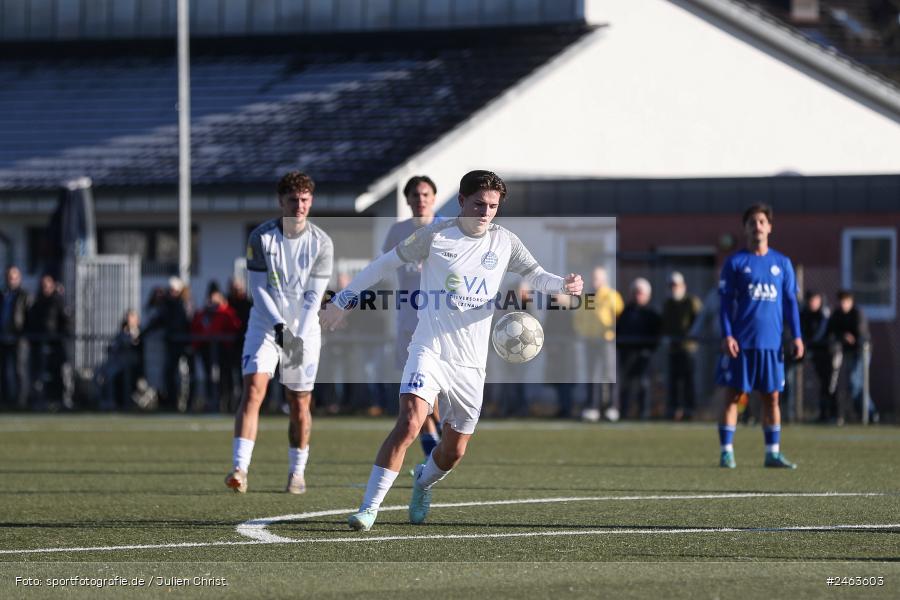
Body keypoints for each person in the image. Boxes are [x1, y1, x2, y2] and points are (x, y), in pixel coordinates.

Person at [322, 170, 583, 532]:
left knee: (453, 451)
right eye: (479, 204)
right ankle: (369, 508)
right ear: (461, 201)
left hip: (471, 364)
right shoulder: (435, 235)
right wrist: (343, 300)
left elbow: (537, 275)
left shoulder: (505, 241)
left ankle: (422, 482)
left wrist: (564, 284)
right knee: (410, 421)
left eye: (493, 206)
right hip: (429, 347)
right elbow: (385, 264)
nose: (486, 213)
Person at [225, 171, 333, 495]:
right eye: (292, 200)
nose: (299, 206)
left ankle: (297, 473)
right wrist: (280, 329)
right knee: (253, 390)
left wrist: (295, 334)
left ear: (311, 201)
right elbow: (258, 291)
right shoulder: (261, 237)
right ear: (280, 202)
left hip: (304, 329)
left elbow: (315, 296)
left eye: (304, 200)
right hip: (266, 325)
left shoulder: (321, 243)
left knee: (299, 402)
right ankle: (240, 469)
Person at [716, 204, 803, 469]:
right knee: (733, 395)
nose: (757, 226)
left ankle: (772, 453)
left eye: (762, 221)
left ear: (769, 227)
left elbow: (790, 303)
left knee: (772, 397)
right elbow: (724, 304)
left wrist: (797, 336)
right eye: (752, 222)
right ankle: (726, 452)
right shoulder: (735, 262)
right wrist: (727, 335)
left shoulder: (782, 263)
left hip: (771, 344)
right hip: (742, 344)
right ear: (745, 229)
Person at [381, 176, 444, 461]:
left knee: (437, 393)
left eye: (426, 194)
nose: (421, 199)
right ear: (407, 200)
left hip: (440, 323)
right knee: (416, 392)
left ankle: (441, 437)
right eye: (415, 195)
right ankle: (432, 451)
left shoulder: (447, 229)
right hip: (408, 322)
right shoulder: (397, 232)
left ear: (434, 197)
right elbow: (384, 267)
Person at [573, 266, 623, 422]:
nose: (595, 281)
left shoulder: (611, 296)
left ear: (604, 279)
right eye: (593, 278)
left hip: (607, 341)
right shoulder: (587, 297)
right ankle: (592, 407)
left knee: (609, 374)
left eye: (598, 278)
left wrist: (610, 331)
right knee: (592, 375)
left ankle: (612, 408)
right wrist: (583, 332)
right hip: (590, 341)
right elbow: (578, 319)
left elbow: (619, 316)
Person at [827, 290, 875, 423]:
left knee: (855, 382)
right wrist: (843, 336)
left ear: (851, 302)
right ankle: (869, 414)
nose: (843, 305)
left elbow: (861, 335)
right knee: (855, 385)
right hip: (848, 353)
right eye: (841, 302)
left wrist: (854, 338)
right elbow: (831, 331)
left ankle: (869, 413)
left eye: (846, 302)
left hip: (862, 352)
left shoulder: (857, 313)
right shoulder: (837, 314)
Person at [191, 283, 242, 412]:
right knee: (210, 377)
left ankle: (228, 403)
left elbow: (234, 326)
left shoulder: (227, 312)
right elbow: (197, 328)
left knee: (226, 377)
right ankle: (212, 402)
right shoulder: (203, 314)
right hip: (207, 350)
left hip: (224, 350)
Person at [617, 278, 662, 419]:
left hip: (644, 354)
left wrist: (649, 348)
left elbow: (657, 333)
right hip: (627, 353)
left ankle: (644, 413)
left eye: (640, 293)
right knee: (626, 385)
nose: (638, 295)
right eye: (635, 292)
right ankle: (624, 412)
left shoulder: (652, 313)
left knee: (644, 384)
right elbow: (619, 330)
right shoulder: (626, 311)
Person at [25, 274, 71, 409]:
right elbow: (31, 321)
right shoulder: (36, 302)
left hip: (55, 345)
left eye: (47, 285)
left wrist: (61, 335)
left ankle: (62, 400)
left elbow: (66, 321)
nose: (45, 288)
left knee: (59, 374)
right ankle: (40, 401)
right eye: (43, 285)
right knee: (39, 375)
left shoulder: (58, 301)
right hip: (39, 344)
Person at [661, 271, 701, 420]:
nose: (673, 288)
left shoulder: (691, 302)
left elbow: (699, 321)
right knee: (673, 381)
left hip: (687, 349)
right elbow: (664, 324)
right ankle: (673, 409)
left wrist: (691, 336)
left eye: (676, 285)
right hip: (673, 348)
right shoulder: (668, 303)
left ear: (683, 286)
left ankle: (689, 409)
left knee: (688, 380)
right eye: (671, 285)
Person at [799, 291, 836, 422]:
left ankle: (831, 414)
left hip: (826, 352)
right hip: (812, 351)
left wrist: (810, 342)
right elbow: (801, 330)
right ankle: (792, 411)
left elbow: (821, 332)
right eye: (811, 300)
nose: (813, 303)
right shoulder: (804, 314)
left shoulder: (824, 314)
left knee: (829, 384)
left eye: (815, 300)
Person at [0, 266, 29, 409]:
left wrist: (22, 333)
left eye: (13, 277)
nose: (10, 280)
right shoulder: (3, 295)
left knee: (19, 370)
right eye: (8, 277)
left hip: (18, 339)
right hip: (4, 338)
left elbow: (27, 316)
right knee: (3, 371)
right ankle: (5, 400)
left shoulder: (24, 295)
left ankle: (20, 401)